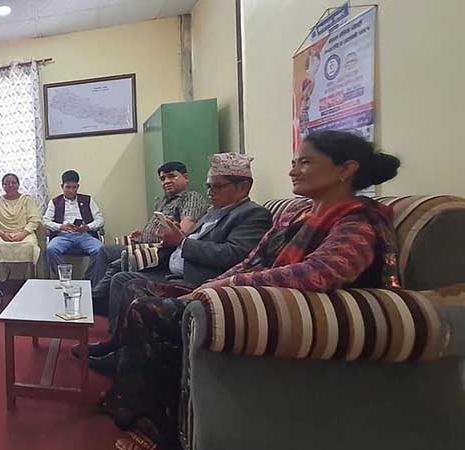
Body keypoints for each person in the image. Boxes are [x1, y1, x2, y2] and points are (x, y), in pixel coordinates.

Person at [105, 130, 402, 450]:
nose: (293, 171)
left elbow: (320, 273)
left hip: (283, 312)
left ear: (346, 169)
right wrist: (211, 286)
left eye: (305, 163)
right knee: (140, 292)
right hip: (245, 295)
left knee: (147, 310)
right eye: (294, 163)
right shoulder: (297, 213)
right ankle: (135, 398)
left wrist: (227, 285)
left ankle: (157, 429)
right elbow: (252, 260)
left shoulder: (357, 221)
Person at [77, 154, 272, 371]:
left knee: (126, 280)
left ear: (243, 187)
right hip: (172, 267)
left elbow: (234, 255)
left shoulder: (253, 215)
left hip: (197, 280)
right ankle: (116, 343)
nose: (210, 192)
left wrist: (181, 241)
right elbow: (191, 238)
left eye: (218, 186)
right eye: (208, 186)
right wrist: (173, 237)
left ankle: (119, 351)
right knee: (121, 276)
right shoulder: (213, 212)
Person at [86, 162, 208, 292]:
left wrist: (165, 233)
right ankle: (90, 290)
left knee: (106, 253)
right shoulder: (164, 201)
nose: (166, 181)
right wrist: (143, 235)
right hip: (145, 245)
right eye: (163, 179)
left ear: (186, 177)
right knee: (105, 252)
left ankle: (94, 296)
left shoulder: (190, 197)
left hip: (162, 252)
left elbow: (184, 232)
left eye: (172, 176)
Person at [43, 170, 105, 277]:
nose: (71, 190)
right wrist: (61, 227)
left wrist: (87, 227)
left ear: (78, 186)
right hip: (63, 236)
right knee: (51, 249)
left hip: (84, 235)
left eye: (74, 187)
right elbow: (45, 221)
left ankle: (89, 280)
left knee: (100, 249)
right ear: (62, 186)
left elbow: (100, 219)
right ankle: (64, 278)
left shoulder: (88, 200)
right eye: (68, 187)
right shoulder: (55, 202)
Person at [0, 173, 42, 278]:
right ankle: (0, 280)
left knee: (30, 245)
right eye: (6, 183)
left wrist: (22, 234)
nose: (10, 185)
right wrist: (3, 234)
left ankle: (27, 278)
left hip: (24, 233)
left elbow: (34, 220)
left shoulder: (26, 199)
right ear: (2, 186)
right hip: (3, 234)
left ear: (18, 184)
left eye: (13, 183)